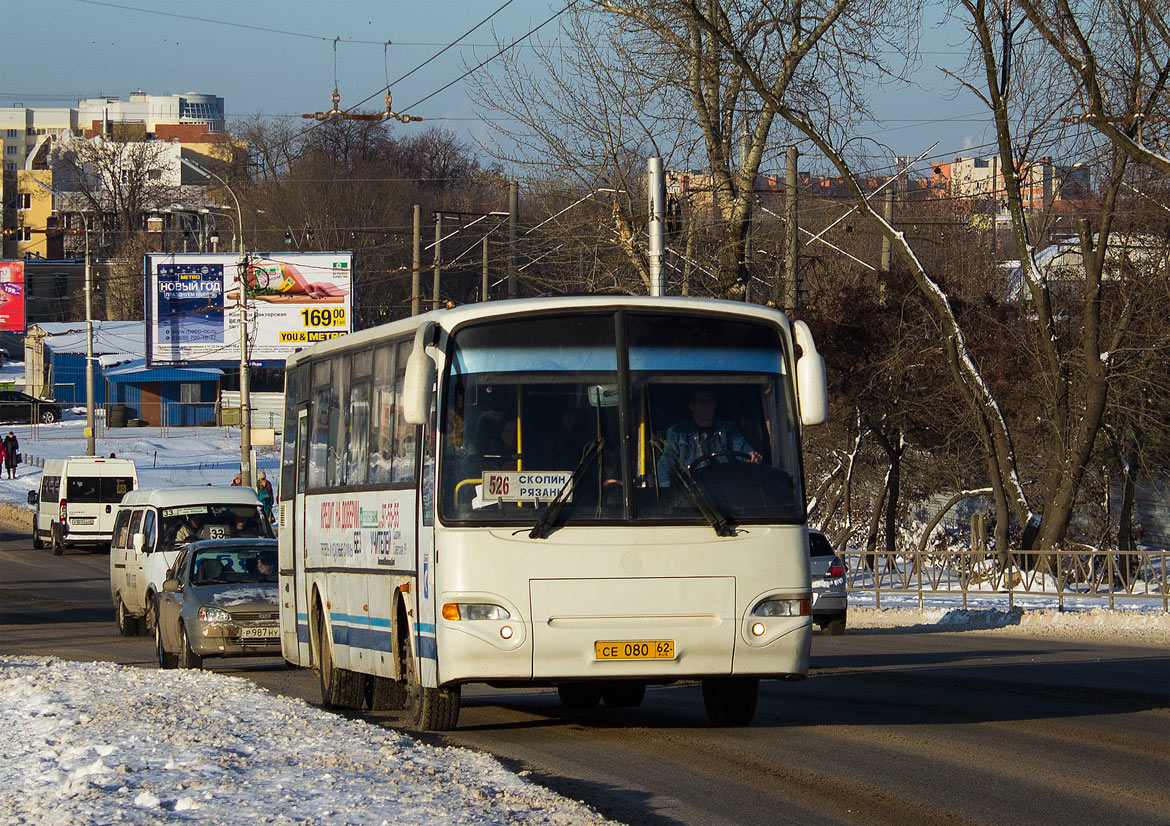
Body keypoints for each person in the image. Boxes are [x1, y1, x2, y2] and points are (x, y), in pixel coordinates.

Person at [657, 388, 760, 486]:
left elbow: (742, 447)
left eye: (710, 401)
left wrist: (750, 455)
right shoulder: (677, 433)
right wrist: (667, 493)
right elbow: (665, 465)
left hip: (727, 489)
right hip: (694, 495)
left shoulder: (727, 429)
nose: (706, 406)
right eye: (701, 401)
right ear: (691, 405)